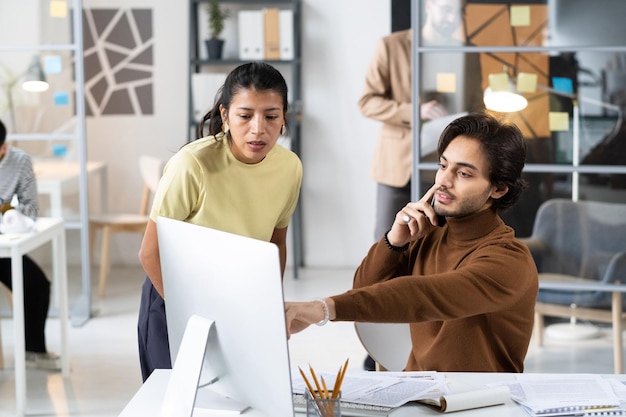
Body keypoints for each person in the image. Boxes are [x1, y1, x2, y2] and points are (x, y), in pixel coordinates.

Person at [285, 113, 538, 373]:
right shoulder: (427, 235)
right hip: (418, 396)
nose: (443, 181)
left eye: (463, 173)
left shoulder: (509, 260)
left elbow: (425, 296)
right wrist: (393, 242)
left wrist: (322, 308)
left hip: (483, 404)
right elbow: (364, 290)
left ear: (498, 189)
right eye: (443, 166)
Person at [137, 62, 303, 381]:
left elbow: (276, 243)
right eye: (245, 116)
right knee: (175, 400)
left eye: (271, 116)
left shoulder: (290, 167)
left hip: (239, 298)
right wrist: (190, 314)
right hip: (174, 294)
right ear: (225, 116)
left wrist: (267, 305)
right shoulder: (192, 164)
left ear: (284, 117)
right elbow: (149, 252)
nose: (258, 129)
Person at [359, 0, 484, 243]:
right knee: (388, 242)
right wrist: (416, 111)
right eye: (447, 11)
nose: (453, 19)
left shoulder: (469, 52)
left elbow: (477, 106)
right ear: (428, 6)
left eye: (459, 12)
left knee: (437, 245)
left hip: (446, 169)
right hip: (399, 166)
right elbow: (367, 102)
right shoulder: (392, 46)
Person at [0, 119, 61, 371]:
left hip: (5, 247)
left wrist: (6, 209)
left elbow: (31, 208)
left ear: (3, 147)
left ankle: (34, 351)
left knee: (36, 286)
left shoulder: (20, 162)